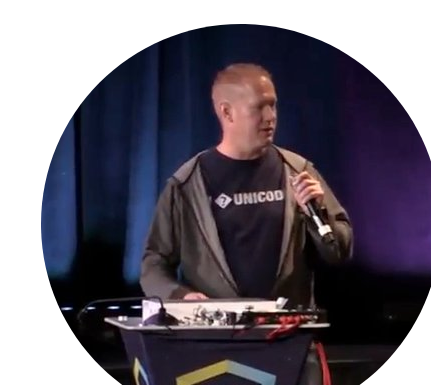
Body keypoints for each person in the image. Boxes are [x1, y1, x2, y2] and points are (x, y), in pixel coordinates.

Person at [140, 63, 353, 307]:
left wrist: (318, 215)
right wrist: (180, 296)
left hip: (287, 325)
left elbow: (339, 253)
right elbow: (153, 263)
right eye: (259, 107)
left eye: (273, 105)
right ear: (227, 112)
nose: (270, 117)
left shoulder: (298, 171)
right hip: (216, 328)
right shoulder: (187, 185)